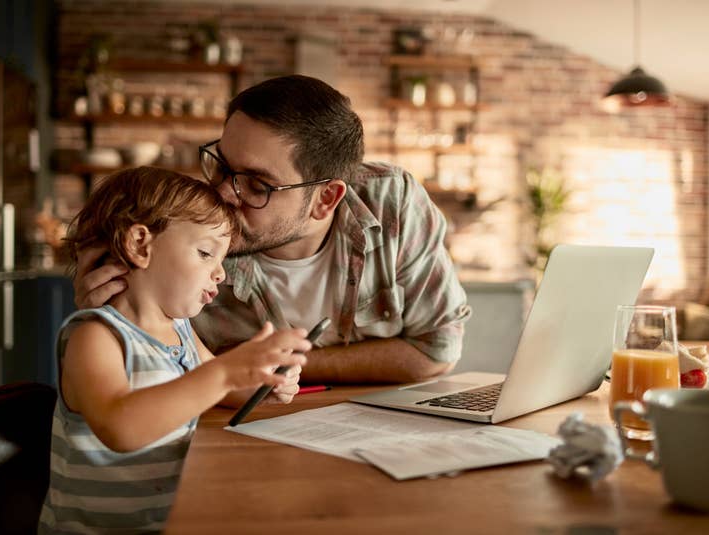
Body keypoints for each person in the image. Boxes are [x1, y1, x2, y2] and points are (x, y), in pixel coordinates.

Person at [73, 75, 471, 385]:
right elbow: (157, 372)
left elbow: (437, 350)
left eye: (258, 185)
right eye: (223, 167)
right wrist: (116, 325)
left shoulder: (391, 202)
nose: (225, 193)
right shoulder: (180, 230)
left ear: (326, 199)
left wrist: (272, 367)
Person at [39, 167, 311, 532]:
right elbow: (121, 427)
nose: (220, 274)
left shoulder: (180, 330)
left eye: (221, 260)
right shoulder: (95, 336)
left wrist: (264, 378)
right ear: (140, 245)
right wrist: (225, 370)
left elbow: (221, 388)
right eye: (204, 253)